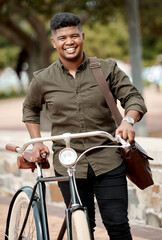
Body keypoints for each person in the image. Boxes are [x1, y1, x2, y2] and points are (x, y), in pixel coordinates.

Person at [23, 12, 147, 240]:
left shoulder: (107, 69)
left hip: (108, 159)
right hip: (67, 162)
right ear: (53, 42)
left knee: (118, 224)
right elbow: (30, 109)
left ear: (82, 36)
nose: (69, 42)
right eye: (62, 38)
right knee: (81, 226)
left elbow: (133, 97)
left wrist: (129, 120)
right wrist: (38, 141)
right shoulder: (43, 79)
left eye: (74, 36)